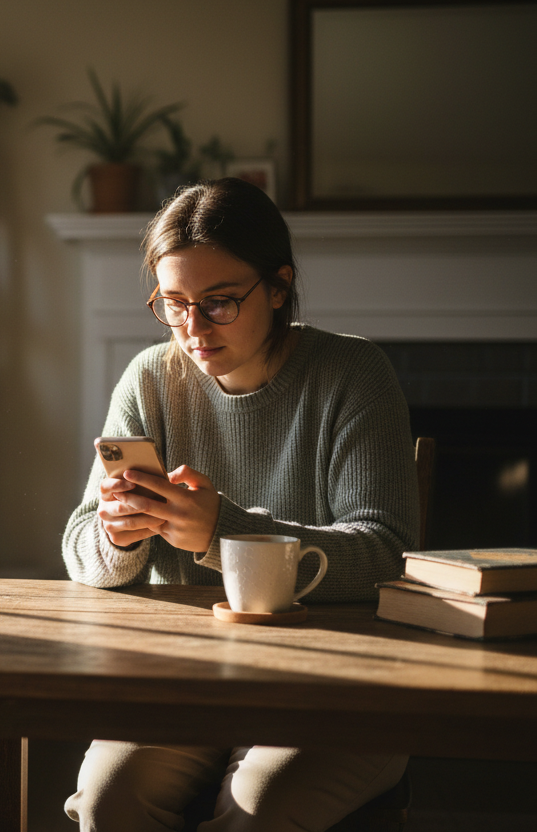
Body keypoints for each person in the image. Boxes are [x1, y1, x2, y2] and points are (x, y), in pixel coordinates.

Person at [61, 178, 420, 832]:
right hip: (183, 680)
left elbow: (386, 554)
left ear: (278, 287)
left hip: (337, 684)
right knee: (109, 800)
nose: (192, 329)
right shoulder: (149, 378)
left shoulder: (353, 375)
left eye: (219, 303)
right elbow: (82, 551)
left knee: (261, 808)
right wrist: (117, 536)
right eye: (173, 304)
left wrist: (219, 535)